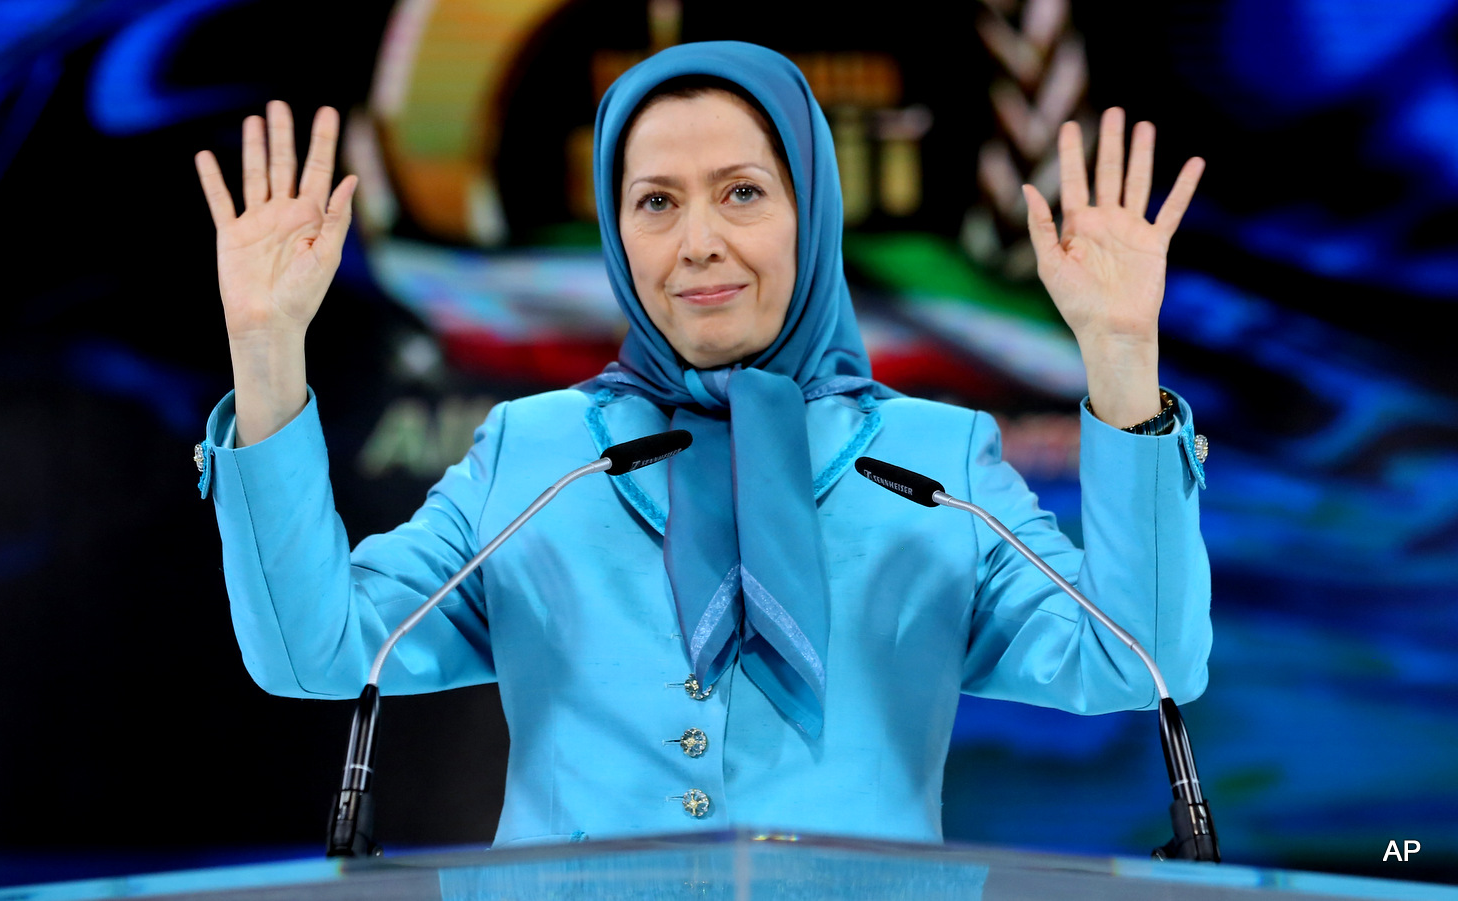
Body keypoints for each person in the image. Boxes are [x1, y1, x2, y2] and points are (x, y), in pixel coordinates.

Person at [191, 41, 1211, 847]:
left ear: (811, 210)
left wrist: (1122, 359)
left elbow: (1140, 661)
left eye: (742, 192)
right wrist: (268, 346)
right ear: (614, 230)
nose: (698, 244)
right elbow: (313, 651)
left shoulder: (937, 463)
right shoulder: (534, 454)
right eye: (655, 203)